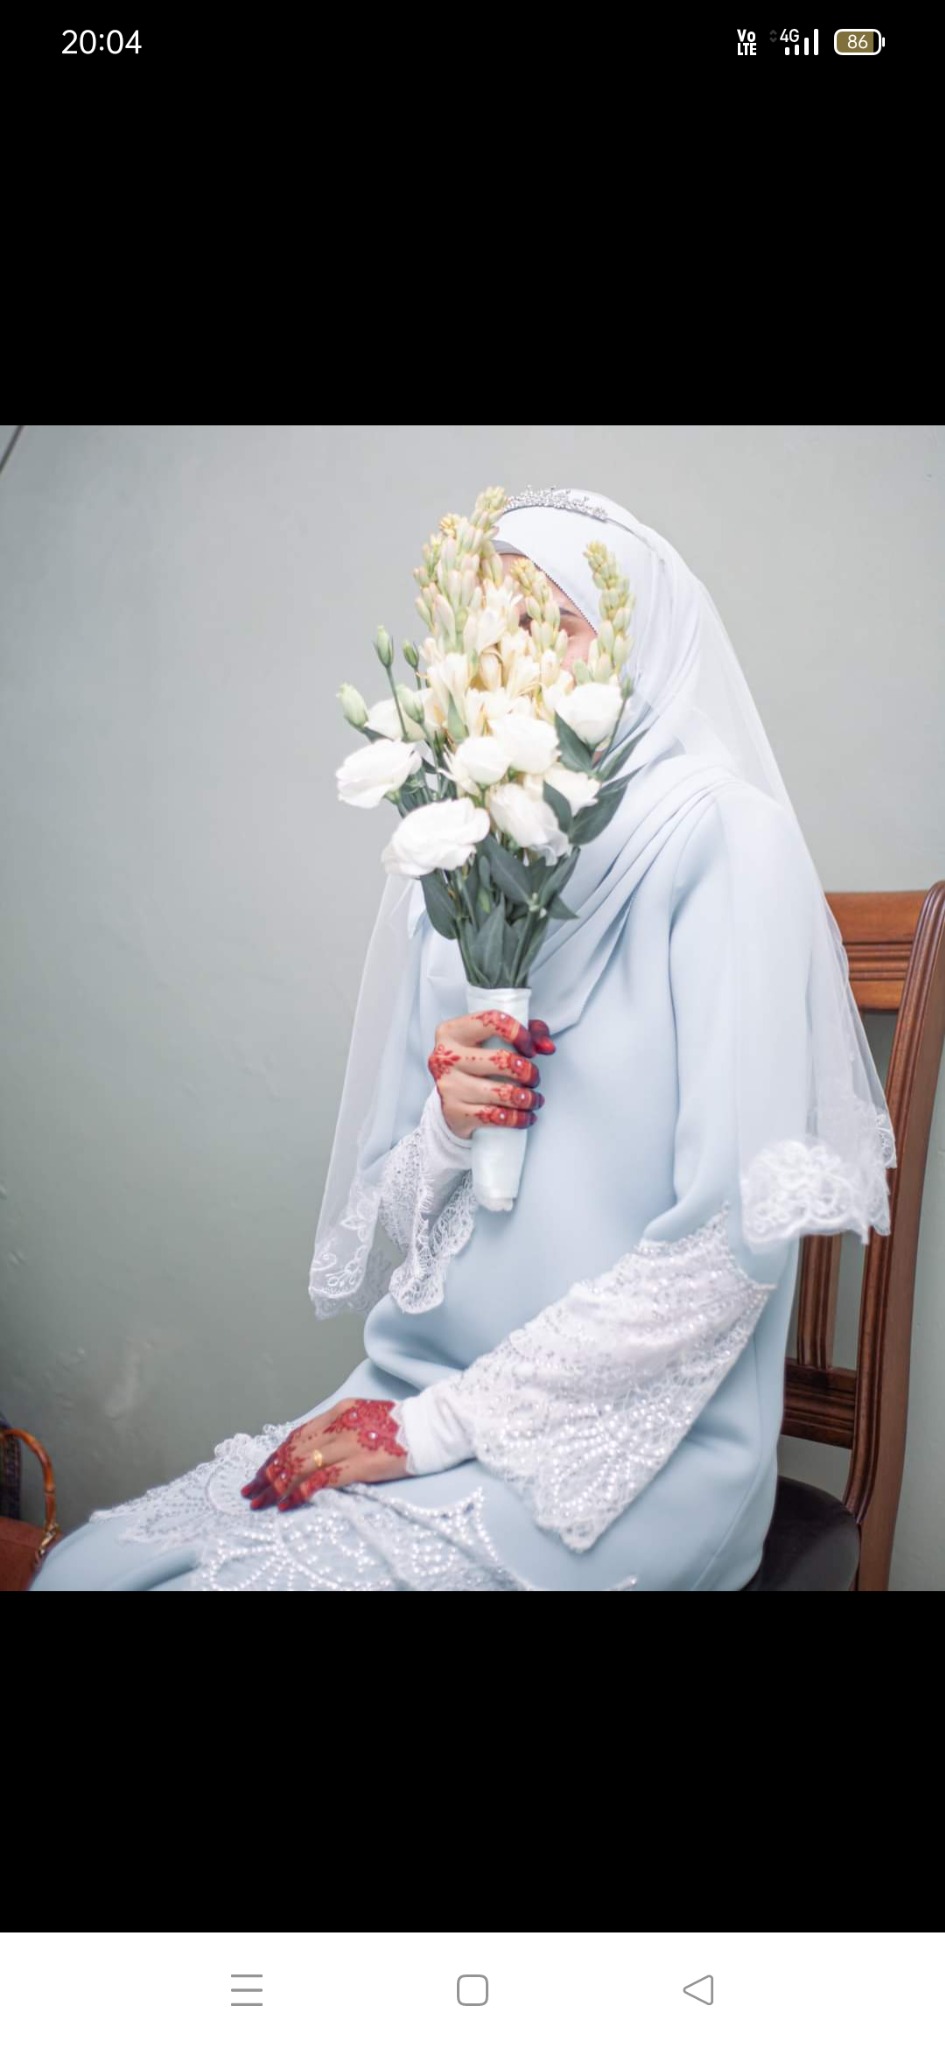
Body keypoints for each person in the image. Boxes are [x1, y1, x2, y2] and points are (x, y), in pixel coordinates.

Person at [32, 486, 896, 1592]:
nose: (516, 661)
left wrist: (429, 1431)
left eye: (557, 625)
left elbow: (728, 1247)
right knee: (83, 1572)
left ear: (636, 645)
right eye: (496, 630)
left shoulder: (725, 838)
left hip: (633, 1450)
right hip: (414, 1381)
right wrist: (448, 1123)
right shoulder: (459, 857)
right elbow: (399, 1219)